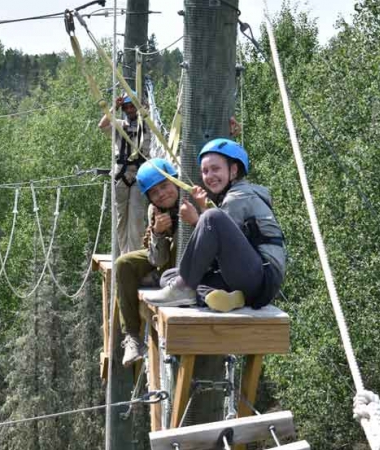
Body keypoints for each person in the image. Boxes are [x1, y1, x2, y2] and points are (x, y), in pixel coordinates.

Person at [143, 138, 286, 313]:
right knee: (168, 276)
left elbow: (216, 249)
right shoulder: (232, 195)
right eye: (205, 171)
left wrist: (198, 219)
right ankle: (228, 297)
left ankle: (185, 288)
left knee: (211, 217)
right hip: (247, 276)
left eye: (215, 169)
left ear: (233, 170)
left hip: (262, 278)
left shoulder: (238, 197)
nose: (209, 176)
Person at [116, 158, 181, 366]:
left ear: (175, 182)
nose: (161, 194)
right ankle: (132, 337)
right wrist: (158, 234)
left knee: (177, 243)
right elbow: (157, 258)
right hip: (164, 262)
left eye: (164, 186)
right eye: (154, 192)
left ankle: (163, 281)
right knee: (124, 264)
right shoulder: (155, 211)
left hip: (188, 265)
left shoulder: (190, 196)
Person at [98, 91, 152, 254]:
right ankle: (124, 254)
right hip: (121, 175)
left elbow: (150, 117)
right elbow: (102, 125)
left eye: (132, 106)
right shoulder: (119, 125)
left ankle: (134, 254)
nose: (129, 109)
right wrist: (114, 106)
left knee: (137, 217)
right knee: (121, 219)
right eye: (127, 107)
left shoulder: (146, 126)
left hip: (138, 175)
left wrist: (143, 106)